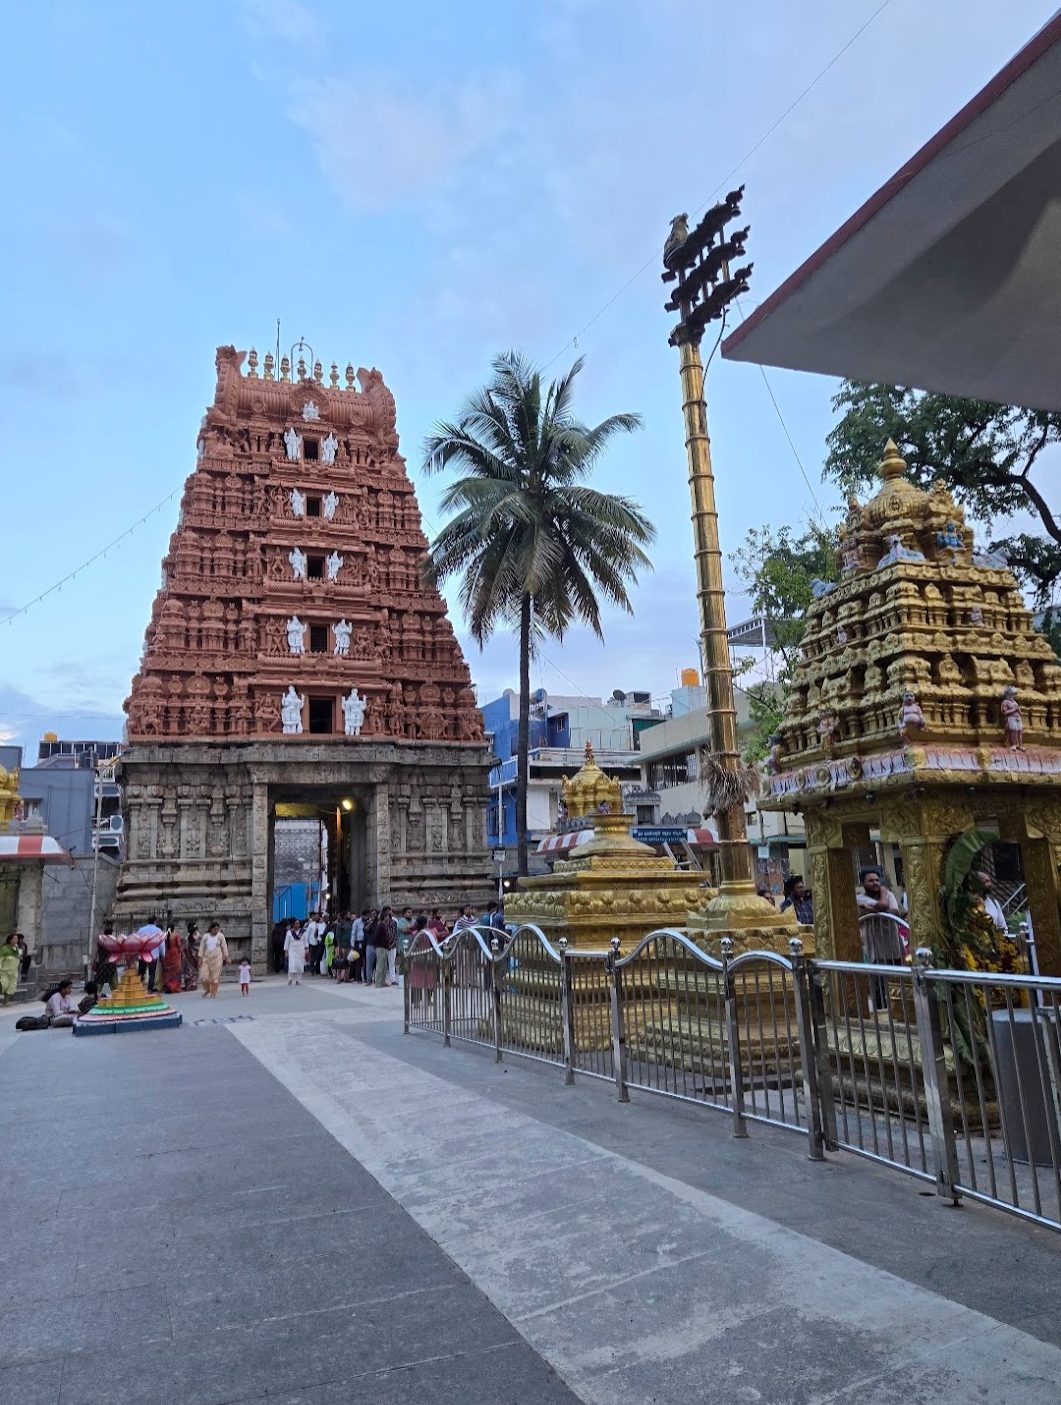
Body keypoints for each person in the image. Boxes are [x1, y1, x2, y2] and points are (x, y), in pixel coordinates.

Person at [857, 869, 903, 1010]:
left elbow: (895, 912)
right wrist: (882, 896)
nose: (875, 883)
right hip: (875, 948)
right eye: (871, 880)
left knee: (898, 981)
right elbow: (883, 905)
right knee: (879, 984)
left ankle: (899, 1011)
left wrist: (870, 910)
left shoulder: (889, 895)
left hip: (893, 945)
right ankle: (881, 1012)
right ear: (863, 883)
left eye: (877, 880)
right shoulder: (860, 898)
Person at [199, 922, 229, 997]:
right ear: (211, 929)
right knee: (203, 976)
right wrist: (200, 958)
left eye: (217, 929)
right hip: (206, 958)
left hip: (217, 958)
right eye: (215, 929)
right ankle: (208, 989)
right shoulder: (205, 936)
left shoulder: (220, 936)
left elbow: (224, 947)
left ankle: (213, 992)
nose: (216, 931)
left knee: (215, 977)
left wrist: (226, 957)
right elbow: (201, 948)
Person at [373, 906, 399, 987]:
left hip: (385, 947)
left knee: (384, 966)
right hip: (380, 947)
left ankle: (383, 981)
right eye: (387, 916)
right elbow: (376, 937)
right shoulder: (380, 925)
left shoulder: (386, 925)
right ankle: (378, 983)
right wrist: (376, 946)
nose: (388, 917)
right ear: (384, 917)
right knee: (380, 966)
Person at [162, 927, 184, 994]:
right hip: (175, 953)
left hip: (167, 954)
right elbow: (179, 945)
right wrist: (182, 952)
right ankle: (175, 987)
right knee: (177, 971)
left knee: (169, 971)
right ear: (173, 928)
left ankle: (168, 986)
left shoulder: (165, 935)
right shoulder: (176, 935)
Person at [0, 933, 20, 1005]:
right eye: (14, 938)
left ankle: (6, 1002)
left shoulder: (17, 949)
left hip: (14, 972)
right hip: (5, 971)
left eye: (17, 939)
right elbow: (0, 960)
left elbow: (19, 957)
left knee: (11, 987)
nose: (16, 940)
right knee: (4, 985)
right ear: (10, 940)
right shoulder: (4, 949)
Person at [183, 925, 200, 991]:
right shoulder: (198, 936)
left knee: (188, 971)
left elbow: (184, 947)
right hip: (195, 956)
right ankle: (194, 985)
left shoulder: (187, 937)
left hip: (188, 956)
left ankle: (188, 985)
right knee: (194, 970)